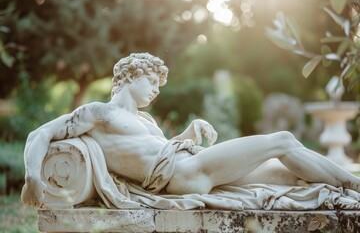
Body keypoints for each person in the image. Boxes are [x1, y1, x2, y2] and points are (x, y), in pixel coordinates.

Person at [21, 52, 360, 208]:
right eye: (151, 82)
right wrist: (32, 176)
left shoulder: (146, 121)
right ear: (129, 77)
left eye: (158, 85)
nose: (156, 90)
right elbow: (40, 134)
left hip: (190, 164)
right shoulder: (99, 113)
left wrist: (188, 132)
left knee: (287, 178)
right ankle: (353, 182)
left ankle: (348, 190)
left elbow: (161, 150)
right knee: (283, 141)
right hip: (186, 172)